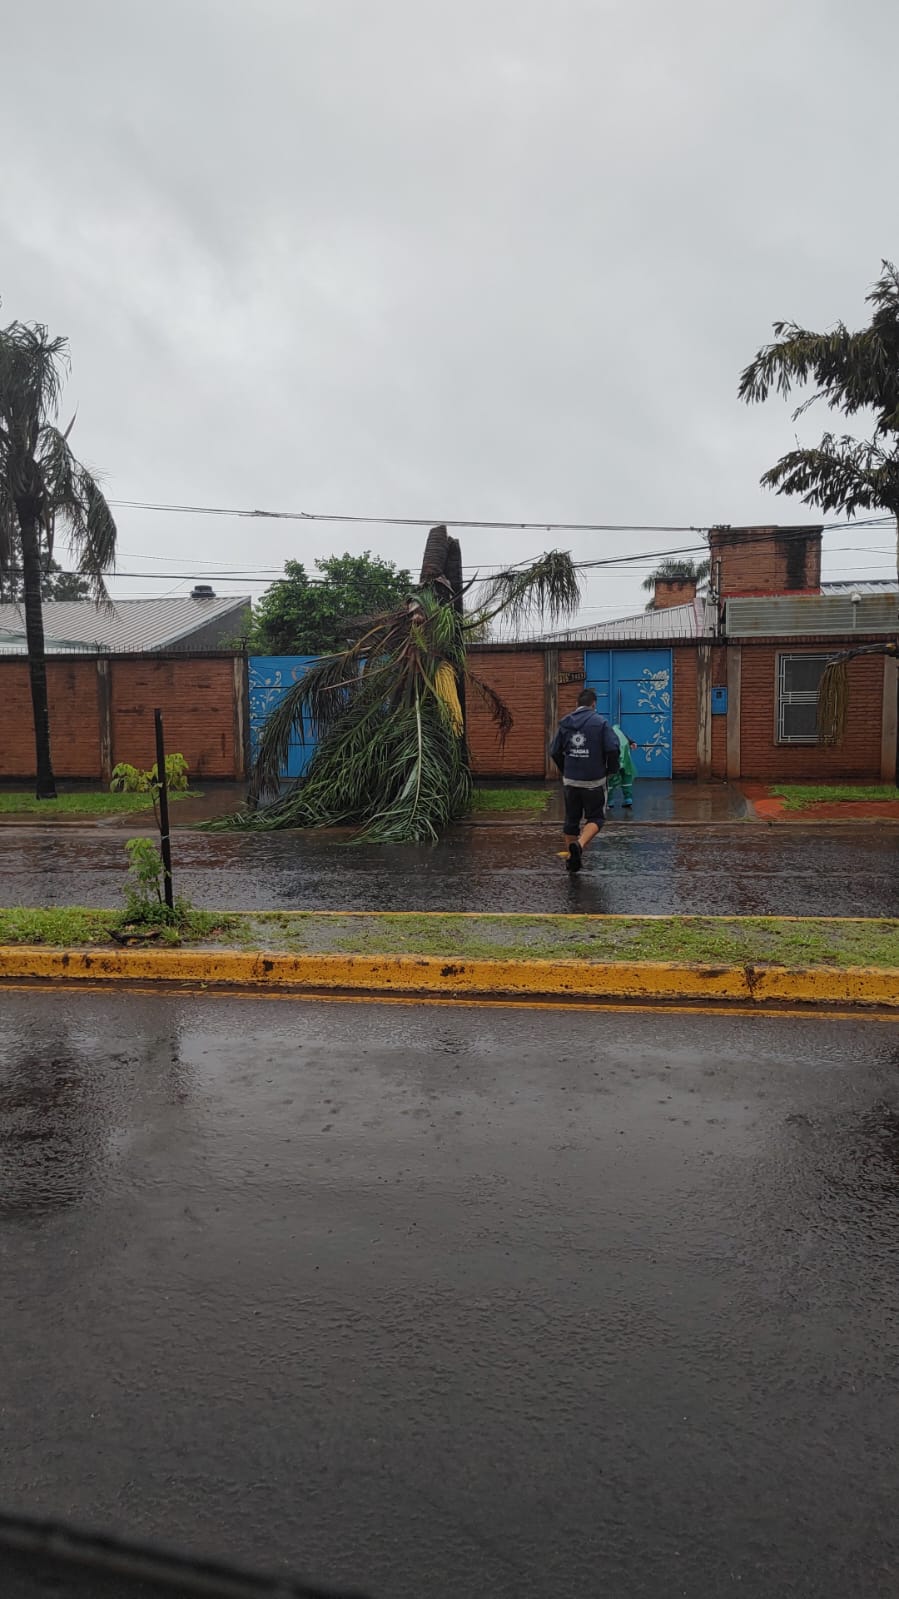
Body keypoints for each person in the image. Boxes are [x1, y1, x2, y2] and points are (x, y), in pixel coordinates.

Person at [549, 688, 620, 872]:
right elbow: (612, 748)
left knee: (571, 820)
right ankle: (579, 845)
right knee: (596, 817)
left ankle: (573, 860)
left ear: (577, 704)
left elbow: (554, 751)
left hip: (571, 781)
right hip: (594, 781)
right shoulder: (601, 723)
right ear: (594, 704)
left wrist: (566, 770)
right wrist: (611, 770)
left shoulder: (565, 723)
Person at [606, 725, 638, 809]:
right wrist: (632, 742)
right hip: (626, 761)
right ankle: (628, 799)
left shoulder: (607, 734)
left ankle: (609, 801)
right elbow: (628, 739)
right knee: (626, 778)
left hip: (614, 760)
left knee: (610, 780)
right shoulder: (620, 733)